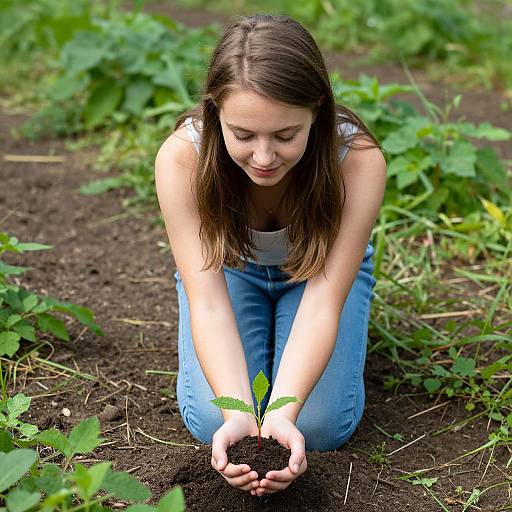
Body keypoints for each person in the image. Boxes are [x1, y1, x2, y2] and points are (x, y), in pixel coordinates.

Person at [154, 14, 386, 498]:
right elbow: (209, 301)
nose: (263, 157)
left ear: (317, 111)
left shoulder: (357, 161)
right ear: (215, 111)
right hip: (231, 272)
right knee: (209, 417)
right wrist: (240, 413)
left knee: (319, 427)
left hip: (318, 276)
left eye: (285, 136)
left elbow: (323, 301)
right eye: (244, 135)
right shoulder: (182, 159)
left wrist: (281, 415)